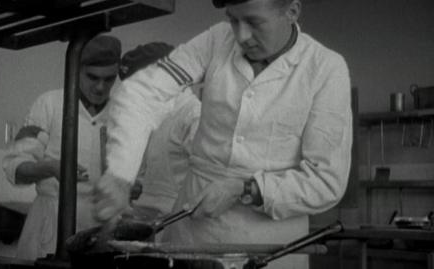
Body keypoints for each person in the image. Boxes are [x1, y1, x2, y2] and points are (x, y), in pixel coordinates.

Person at [94, 0, 352, 267]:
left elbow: (327, 181)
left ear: (292, 11)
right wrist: (121, 174)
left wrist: (247, 189)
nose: (241, 36)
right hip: (191, 236)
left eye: (254, 22)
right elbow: (143, 93)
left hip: (268, 245)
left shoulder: (326, 69)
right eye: (233, 20)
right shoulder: (218, 39)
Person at [2, 35, 123, 260]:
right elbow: (15, 168)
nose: (100, 87)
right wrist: (52, 168)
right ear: (76, 69)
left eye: (109, 79)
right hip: (52, 221)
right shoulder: (49, 105)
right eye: (92, 77)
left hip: (100, 229)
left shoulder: (121, 114)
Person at [118, 42, 201, 223]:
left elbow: (206, 184)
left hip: (180, 224)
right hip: (149, 222)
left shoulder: (194, 116)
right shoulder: (154, 116)